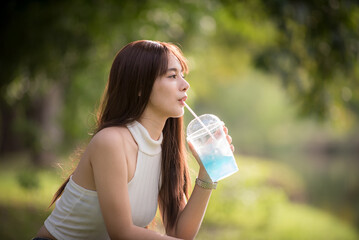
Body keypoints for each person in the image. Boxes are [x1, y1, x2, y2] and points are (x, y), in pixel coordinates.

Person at [33, 40, 234, 240]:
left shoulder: (164, 147)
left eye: (183, 75)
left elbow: (179, 233)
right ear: (139, 86)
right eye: (172, 76)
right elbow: (122, 233)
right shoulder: (111, 142)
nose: (185, 84)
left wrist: (207, 174)